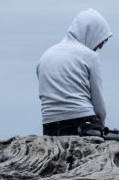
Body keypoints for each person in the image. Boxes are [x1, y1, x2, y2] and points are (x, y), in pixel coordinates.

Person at [37, 8, 113, 136]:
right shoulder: (89, 56)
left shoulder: (45, 56)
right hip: (82, 122)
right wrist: (101, 127)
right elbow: (99, 106)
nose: (100, 47)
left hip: (49, 125)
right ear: (90, 33)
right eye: (101, 41)